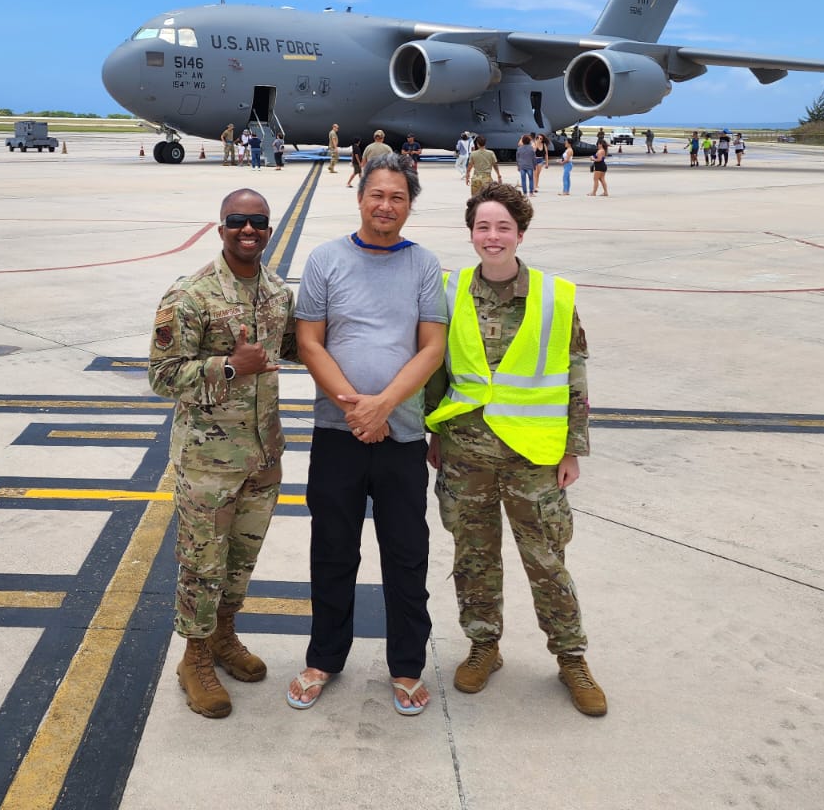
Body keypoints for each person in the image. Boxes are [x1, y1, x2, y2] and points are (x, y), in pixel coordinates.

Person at [423, 182, 605, 716]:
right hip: (466, 454)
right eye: (483, 227)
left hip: (533, 458)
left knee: (547, 562)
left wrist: (572, 450)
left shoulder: (554, 296)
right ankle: (484, 646)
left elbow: (575, 378)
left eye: (503, 227)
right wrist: (435, 431)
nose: (493, 236)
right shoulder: (449, 290)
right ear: (471, 233)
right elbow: (438, 368)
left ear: (520, 233)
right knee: (473, 557)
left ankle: (571, 657)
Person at [286, 154, 447, 716]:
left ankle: (406, 666)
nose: (386, 205)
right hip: (337, 433)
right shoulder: (326, 259)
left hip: (400, 436)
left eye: (398, 197)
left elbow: (431, 347)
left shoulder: (424, 266)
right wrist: (355, 408)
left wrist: (383, 406)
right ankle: (324, 658)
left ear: (409, 204)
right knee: (332, 551)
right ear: (360, 197)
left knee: (407, 555)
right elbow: (310, 342)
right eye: (377, 194)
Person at [149, 189, 297, 718]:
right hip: (208, 465)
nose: (248, 230)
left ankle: (224, 637)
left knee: (240, 563)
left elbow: (304, 345)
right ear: (221, 228)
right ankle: (194, 659)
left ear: (268, 230)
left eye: (258, 222)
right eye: (238, 221)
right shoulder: (190, 295)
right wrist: (229, 367)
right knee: (201, 566)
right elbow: (162, 377)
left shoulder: (278, 293)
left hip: (263, 458)